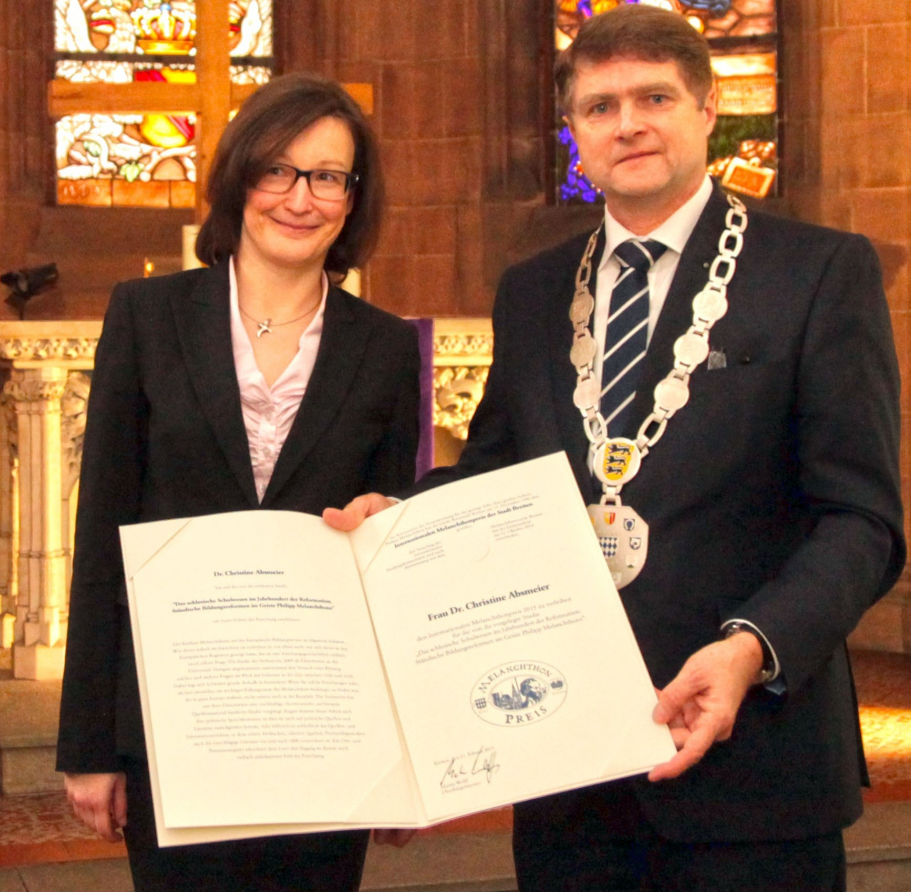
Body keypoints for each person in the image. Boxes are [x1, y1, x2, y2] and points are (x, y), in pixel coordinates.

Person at [327, 6, 903, 889]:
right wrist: (400, 516)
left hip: (753, 769)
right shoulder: (533, 291)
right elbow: (498, 472)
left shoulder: (819, 271)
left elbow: (861, 521)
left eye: (654, 97)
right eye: (600, 107)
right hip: (570, 775)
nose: (627, 123)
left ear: (708, 109)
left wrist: (752, 646)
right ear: (575, 133)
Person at [57, 73, 422, 891]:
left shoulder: (387, 347)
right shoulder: (146, 317)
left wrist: (405, 754)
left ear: (353, 198)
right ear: (239, 177)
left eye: (327, 176)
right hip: (176, 712)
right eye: (277, 170)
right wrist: (89, 744)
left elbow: (389, 555)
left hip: (327, 720)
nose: (300, 198)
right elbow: (102, 533)